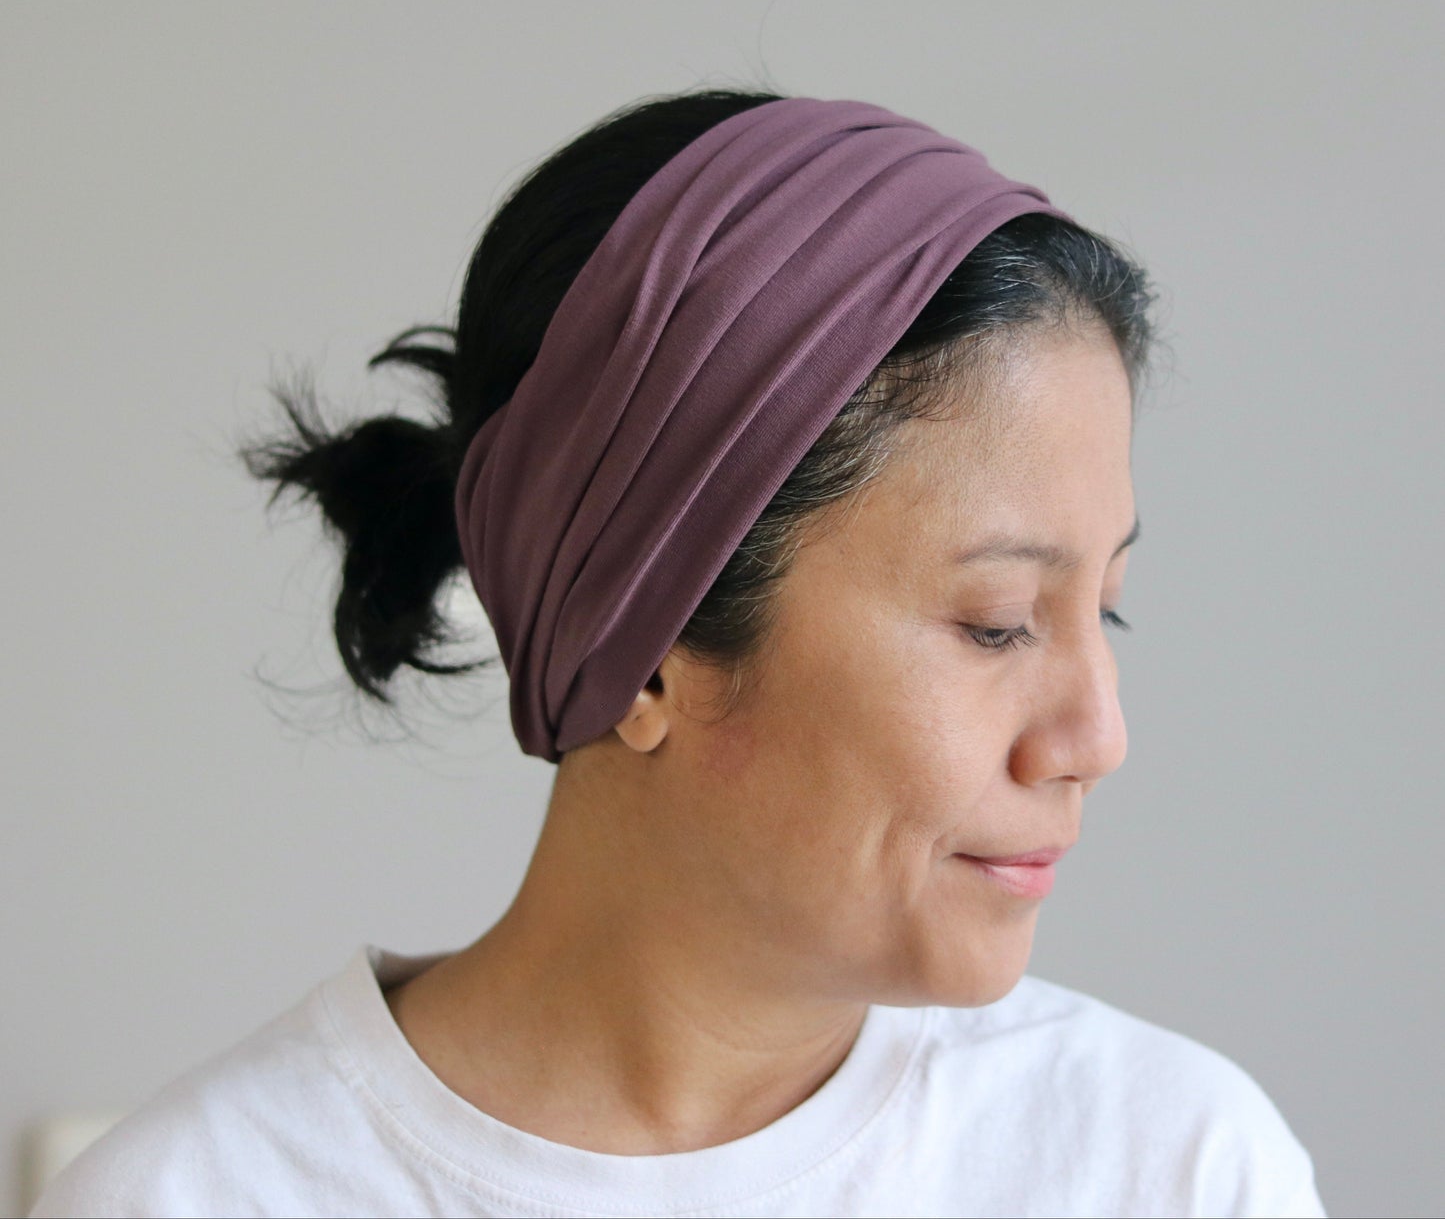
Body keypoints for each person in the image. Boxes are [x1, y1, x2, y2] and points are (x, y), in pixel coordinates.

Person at [32, 89, 1326, 1218]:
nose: (1096, 736)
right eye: (995, 622)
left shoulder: (1169, 1167)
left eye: (1103, 606)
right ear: (644, 645)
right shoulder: (196, 1196)